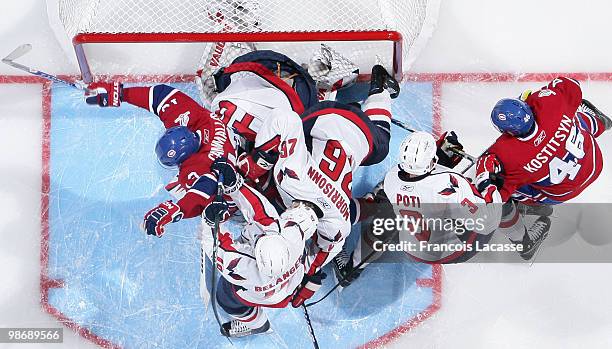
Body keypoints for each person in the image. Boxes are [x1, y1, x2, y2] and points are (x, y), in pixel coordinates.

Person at [234, 65, 399, 299]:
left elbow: (326, 250)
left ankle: (379, 90)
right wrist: (256, 162)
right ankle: (376, 89)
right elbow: (284, 119)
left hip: (353, 132)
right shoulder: (294, 175)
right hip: (322, 118)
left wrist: (312, 276)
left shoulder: (336, 223)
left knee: (378, 146)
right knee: (269, 178)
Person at [84, 81, 277, 235]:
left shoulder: (198, 165)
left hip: (247, 190)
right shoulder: (196, 118)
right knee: (224, 105)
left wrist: (174, 211)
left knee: (217, 204)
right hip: (252, 137)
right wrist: (121, 94)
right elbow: (159, 95)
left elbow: (201, 191)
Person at [333, 131, 505, 286]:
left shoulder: (393, 178)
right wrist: (485, 178)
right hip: (455, 251)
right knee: (482, 203)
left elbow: (419, 180)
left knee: (382, 221)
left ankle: (351, 269)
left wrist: (440, 156)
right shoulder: (451, 183)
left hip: (413, 247)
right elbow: (489, 221)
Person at [475, 76, 611, 259]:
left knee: (502, 191)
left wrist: (485, 169)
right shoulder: (551, 102)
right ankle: (601, 121)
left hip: (560, 193)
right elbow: (572, 84)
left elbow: (493, 200)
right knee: (571, 119)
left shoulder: (507, 155)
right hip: (593, 163)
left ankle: (524, 242)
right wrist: (537, 97)